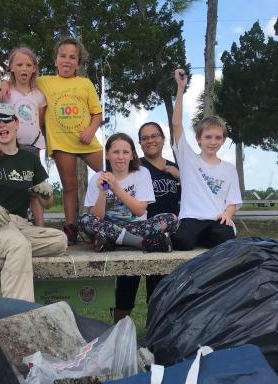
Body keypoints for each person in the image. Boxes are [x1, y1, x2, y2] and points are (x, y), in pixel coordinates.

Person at [1, 37, 103, 244]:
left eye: (72, 57)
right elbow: (21, 76)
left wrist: (91, 130)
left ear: (78, 62)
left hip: (86, 142)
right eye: (62, 56)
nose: (67, 61)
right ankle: (71, 229)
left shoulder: (84, 83)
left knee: (112, 172)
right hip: (62, 144)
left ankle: (107, 218)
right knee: (70, 186)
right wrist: (3, 82)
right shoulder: (45, 82)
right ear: (55, 60)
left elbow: (97, 114)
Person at [0, 103, 68, 302]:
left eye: (6, 120)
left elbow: (47, 204)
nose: (1, 124)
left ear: (16, 123)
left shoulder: (29, 158)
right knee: (19, 247)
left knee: (59, 241)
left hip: (19, 224)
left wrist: (47, 193)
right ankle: (18, 313)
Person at [113, 122, 181, 322]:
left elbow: (193, 197)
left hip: (165, 237)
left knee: (158, 291)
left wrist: (181, 178)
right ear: (140, 143)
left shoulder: (176, 168)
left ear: (163, 138)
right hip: (137, 231)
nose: (150, 140)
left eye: (155, 136)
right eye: (145, 138)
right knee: (126, 289)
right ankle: (118, 334)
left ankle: (155, 337)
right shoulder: (135, 168)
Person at [171, 69, 241, 250]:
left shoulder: (228, 169)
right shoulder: (188, 159)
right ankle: (194, 238)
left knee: (225, 239)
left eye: (218, 138)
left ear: (223, 140)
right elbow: (177, 124)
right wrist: (180, 88)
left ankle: (204, 240)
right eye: (208, 137)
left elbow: (233, 200)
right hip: (191, 218)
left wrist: (228, 214)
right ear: (198, 139)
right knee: (182, 242)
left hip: (216, 219)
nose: (213, 142)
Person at [78, 132, 177, 257]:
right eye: (115, 152)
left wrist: (116, 188)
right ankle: (142, 243)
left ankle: (111, 241)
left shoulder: (142, 173)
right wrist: (103, 191)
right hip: (108, 225)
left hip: (137, 226)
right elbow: (97, 217)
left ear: (132, 156)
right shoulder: (97, 178)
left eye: (125, 152)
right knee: (84, 219)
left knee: (171, 219)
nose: (121, 157)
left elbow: (140, 211)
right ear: (107, 155)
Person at [3, 47, 48, 227]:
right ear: (11, 67)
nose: (24, 69)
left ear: (34, 69)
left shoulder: (39, 95)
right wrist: (3, 83)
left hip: (32, 147)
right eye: (19, 64)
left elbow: (40, 119)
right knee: (9, 185)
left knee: (34, 188)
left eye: (28, 65)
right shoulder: (6, 92)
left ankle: (41, 228)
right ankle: (10, 225)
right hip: (10, 146)